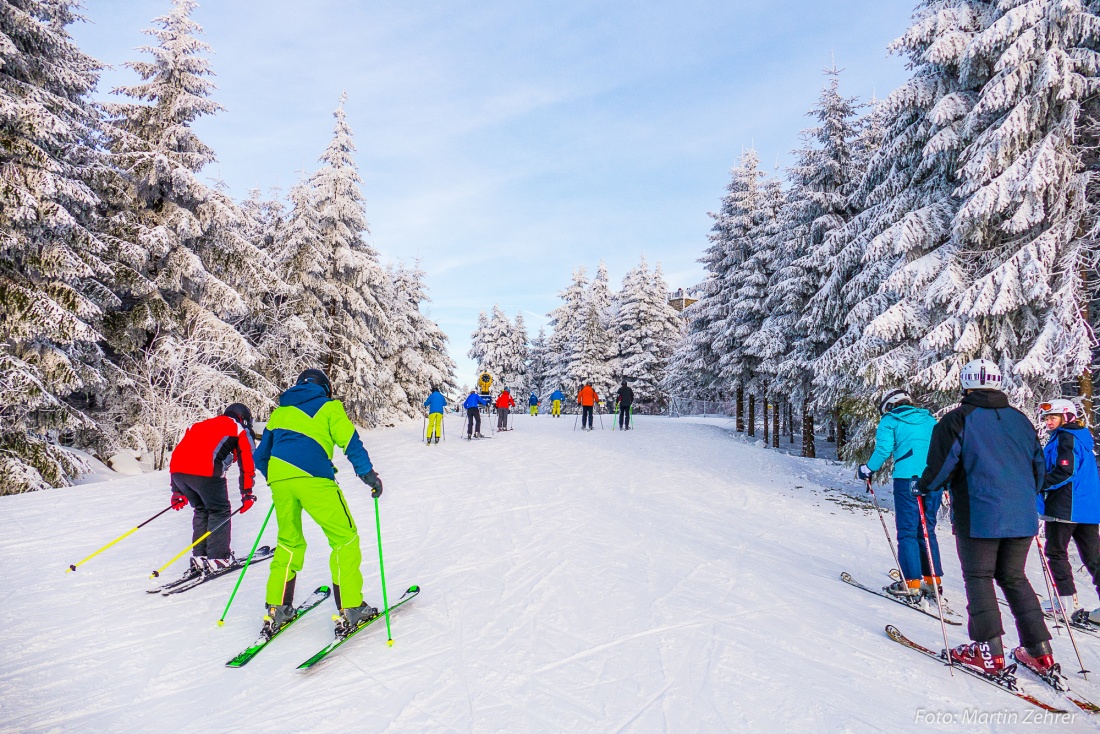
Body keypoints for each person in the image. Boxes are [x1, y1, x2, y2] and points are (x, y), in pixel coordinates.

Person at [916, 359, 1053, 675]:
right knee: (1013, 577)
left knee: (978, 576)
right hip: (1021, 514)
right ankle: (1039, 650)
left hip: (979, 513)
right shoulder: (1020, 420)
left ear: (965, 385)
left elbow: (939, 469)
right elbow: (1038, 468)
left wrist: (921, 486)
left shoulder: (956, 420)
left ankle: (987, 651)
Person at [253, 369, 384, 637]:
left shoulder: (280, 413)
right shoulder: (329, 406)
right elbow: (350, 442)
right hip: (314, 476)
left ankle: (277, 609)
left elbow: (260, 457)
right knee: (344, 539)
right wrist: (368, 475)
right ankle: (351, 608)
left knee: (288, 542)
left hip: (280, 479)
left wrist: (278, 479)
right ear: (325, 388)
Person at [856, 389, 941, 600]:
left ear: (889, 406)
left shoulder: (890, 420)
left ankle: (911, 583)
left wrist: (867, 469)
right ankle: (932, 581)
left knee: (907, 530)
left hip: (907, 479)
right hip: (934, 479)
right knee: (927, 529)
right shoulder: (929, 420)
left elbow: (884, 450)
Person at [168, 403, 257, 575]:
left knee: (201, 509)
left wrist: (177, 490)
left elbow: (179, 453)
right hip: (207, 473)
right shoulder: (238, 428)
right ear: (243, 418)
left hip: (179, 472)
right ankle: (218, 557)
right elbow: (247, 462)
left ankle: (200, 557)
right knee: (219, 510)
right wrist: (247, 493)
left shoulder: (199, 425)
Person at [1034, 399, 1100, 624]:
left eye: (1053, 417)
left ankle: (1064, 602)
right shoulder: (1080, 437)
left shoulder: (1066, 437)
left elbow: (1065, 470)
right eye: (1047, 418)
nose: (1049, 422)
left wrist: (1040, 484)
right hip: (1087, 508)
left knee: (1056, 551)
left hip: (1066, 505)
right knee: (1093, 556)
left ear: (1067, 417)